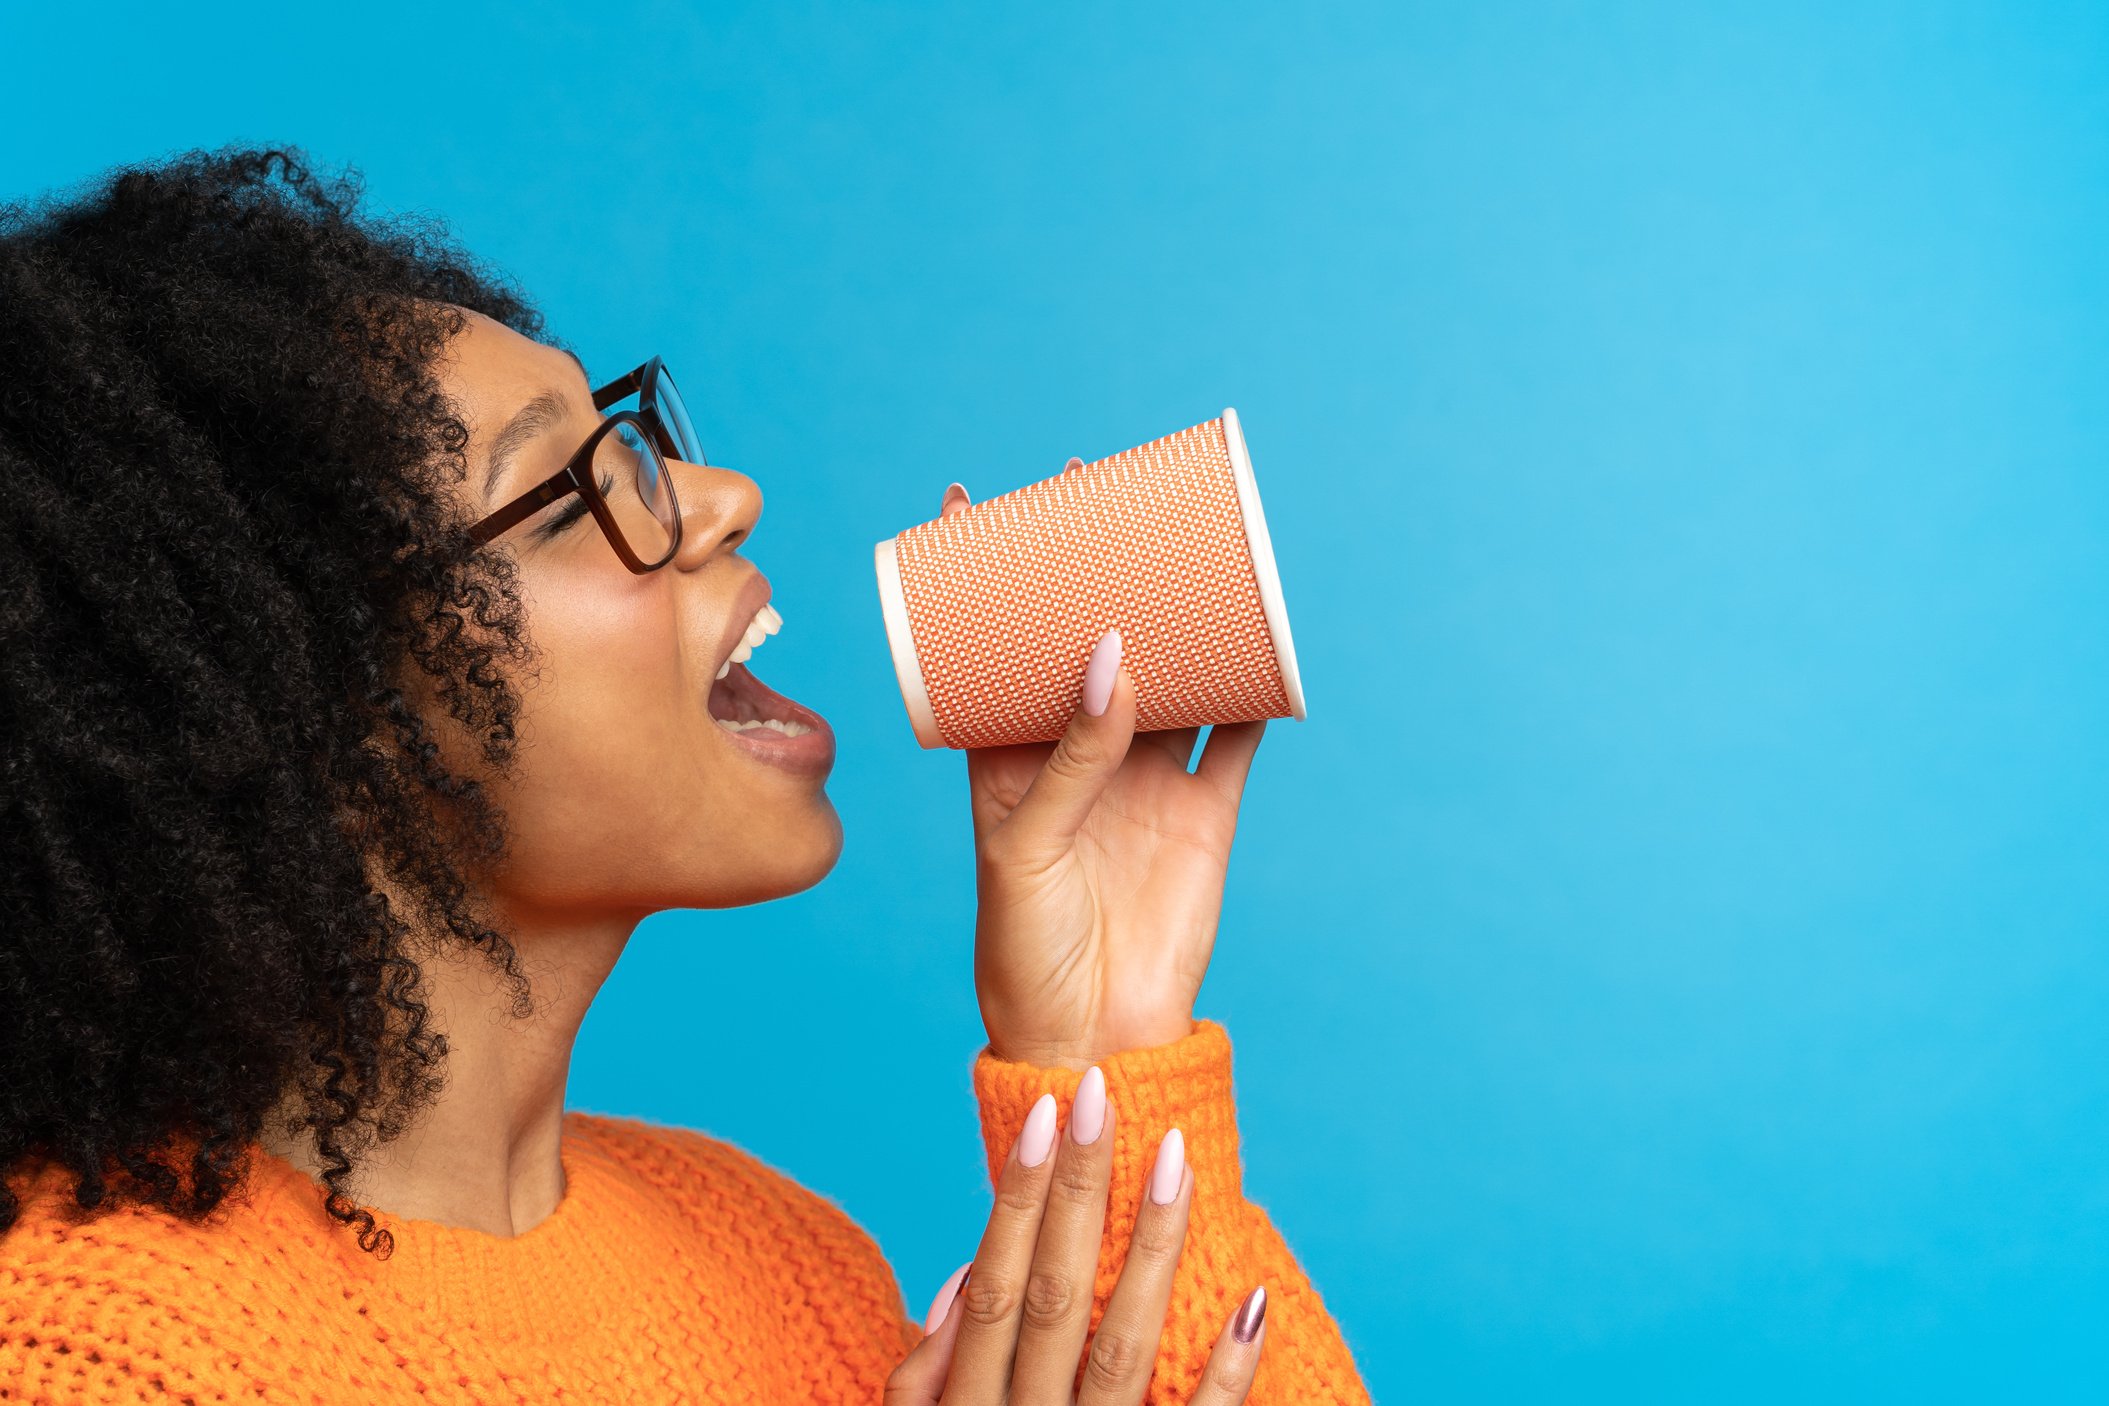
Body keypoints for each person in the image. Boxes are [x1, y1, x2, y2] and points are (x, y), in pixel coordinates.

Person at [0, 146, 1371, 1404]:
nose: (721, 499)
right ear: (301, 698)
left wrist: (1103, 1040)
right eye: (575, 486)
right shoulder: (91, 1350)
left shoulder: (771, 1254)